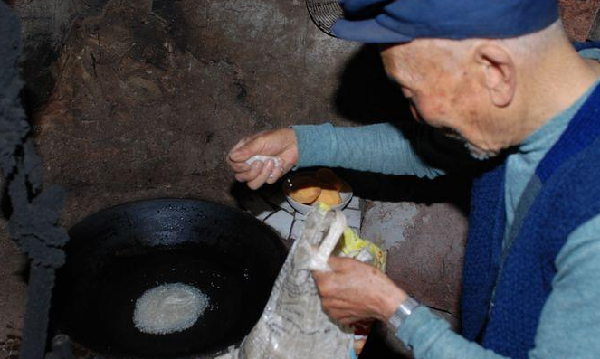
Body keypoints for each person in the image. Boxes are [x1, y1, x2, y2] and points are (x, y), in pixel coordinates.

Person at [226, 0, 600, 358]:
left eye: (410, 93)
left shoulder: (592, 221)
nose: (417, 116)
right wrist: (304, 144)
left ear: (495, 72)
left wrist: (396, 310)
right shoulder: (546, 84)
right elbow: (438, 150)